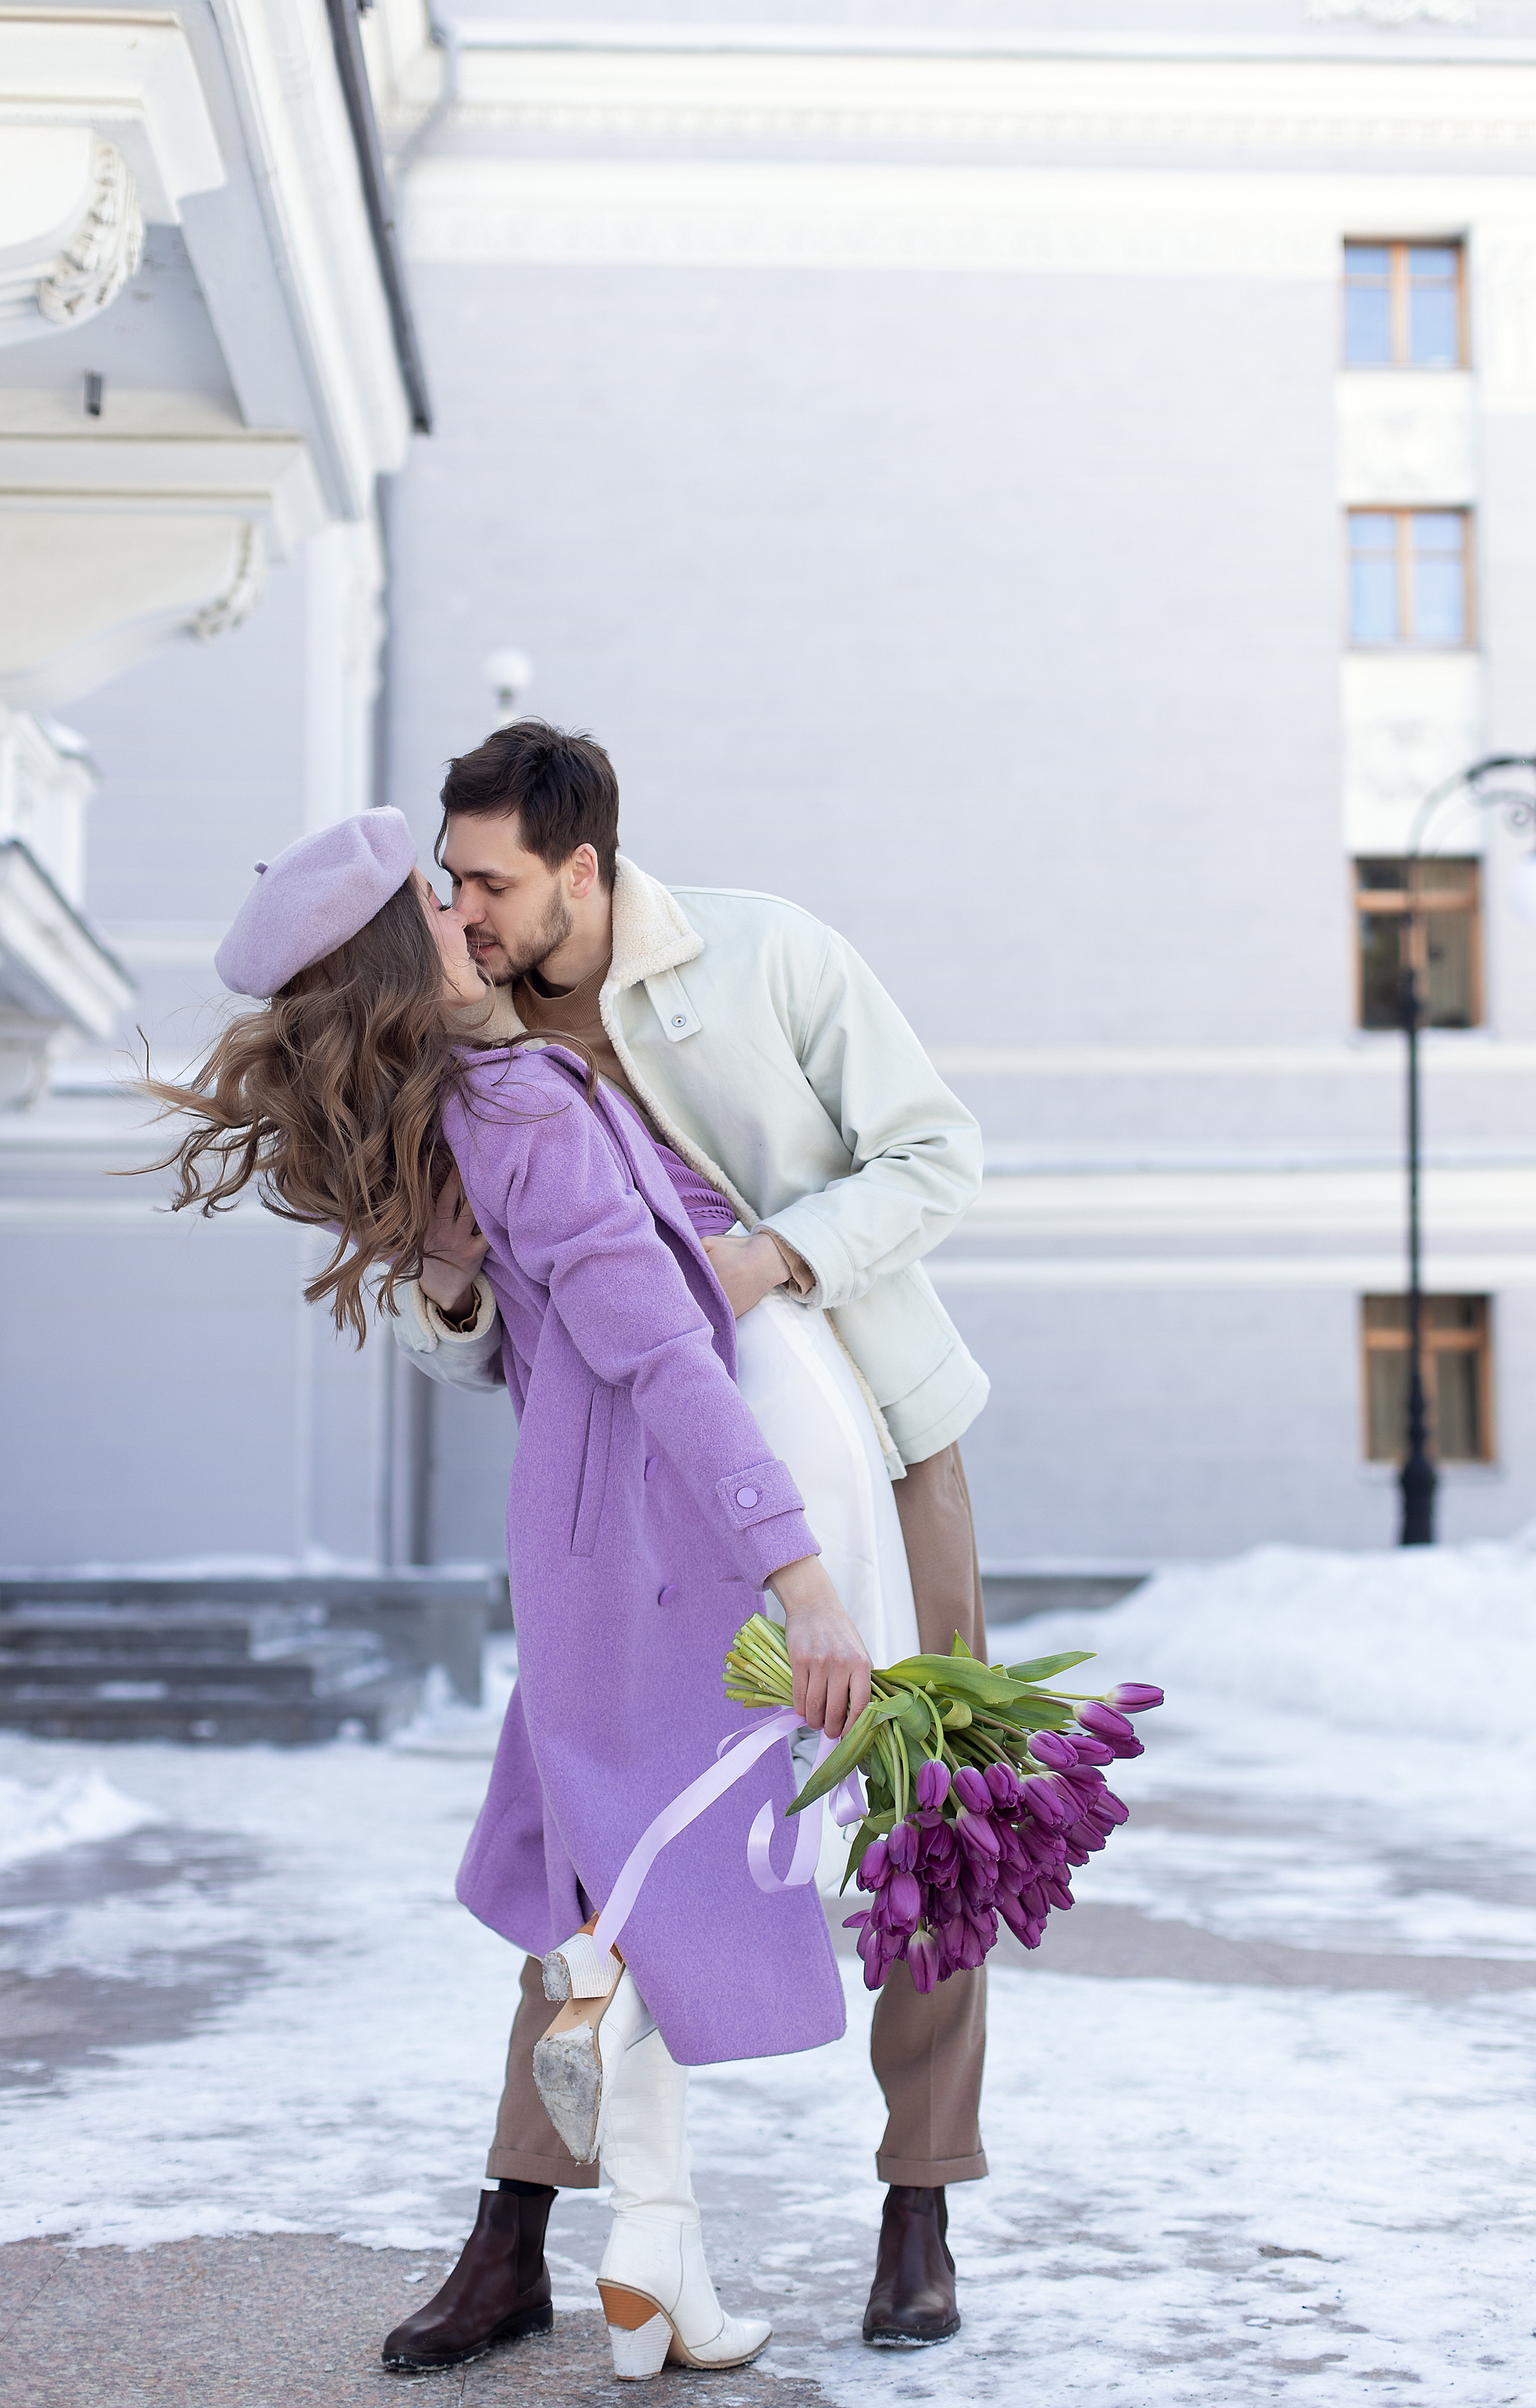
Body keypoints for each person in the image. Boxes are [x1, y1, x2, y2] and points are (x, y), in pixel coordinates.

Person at [149, 808, 880, 2380]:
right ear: (402, 948)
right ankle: (617, 2121)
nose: (468, 913)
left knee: (616, 1871)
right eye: (439, 895)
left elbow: (593, 1311)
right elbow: (663, 1354)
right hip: (681, 1522)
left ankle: (656, 2272)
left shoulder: (447, 1115)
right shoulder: (519, 1105)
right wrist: (799, 1572)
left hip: (575, 1544)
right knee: (677, 1885)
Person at [386, 722, 991, 2363]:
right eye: (452, 880)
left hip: (873, 1433)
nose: (470, 912)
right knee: (597, 1846)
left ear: (582, 869)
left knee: (925, 1814)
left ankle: (918, 2204)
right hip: (643, 1503)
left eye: (494, 882)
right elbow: (505, 1338)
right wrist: (442, 1284)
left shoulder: (766, 953)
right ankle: (514, 2231)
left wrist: (773, 1260)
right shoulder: (476, 1056)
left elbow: (939, 1154)